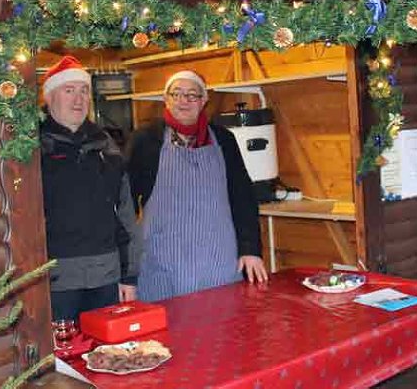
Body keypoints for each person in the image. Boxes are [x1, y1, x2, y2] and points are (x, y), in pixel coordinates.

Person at [127, 70, 268, 302]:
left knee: (222, 317)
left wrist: (250, 249)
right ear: (166, 99)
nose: (184, 101)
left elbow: (243, 198)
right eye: (176, 94)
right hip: (163, 262)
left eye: (192, 95)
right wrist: (127, 272)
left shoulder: (224, 139)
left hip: (218, 261)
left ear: (204, 101)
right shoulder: (145, 141)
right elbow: (126, 205)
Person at [39, 55, 141, 321]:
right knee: (62, 349)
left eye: (84, 91)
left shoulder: (106, 146)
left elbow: (125, 215)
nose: (78, 99)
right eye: (69, 90)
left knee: (108, 345)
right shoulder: (33, 149)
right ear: (49, 97)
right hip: (55, 282)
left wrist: (129, 276)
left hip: (106, 278)